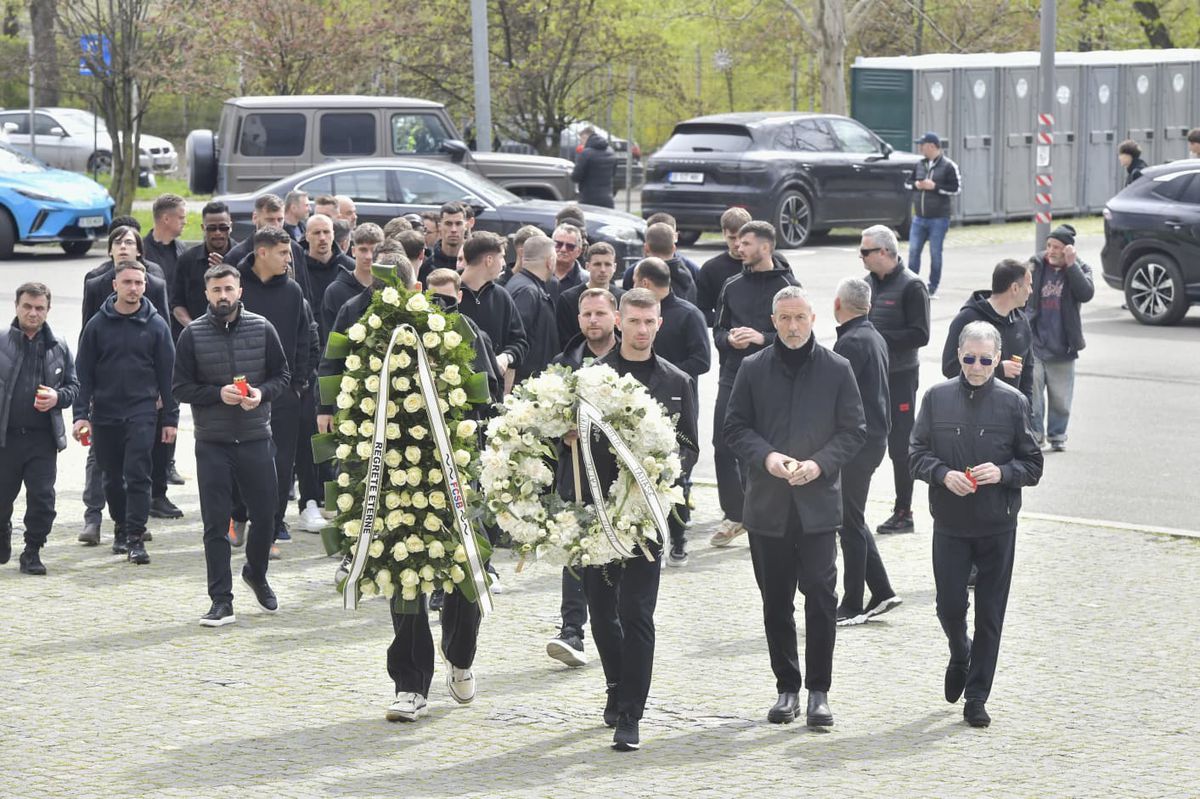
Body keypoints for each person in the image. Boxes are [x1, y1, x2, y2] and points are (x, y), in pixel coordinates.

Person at [560, 288, 698, 750]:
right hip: (598, 514)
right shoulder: (593, 377)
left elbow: (692, 447)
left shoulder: (677, 381)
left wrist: (663, 467)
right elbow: (566, 435)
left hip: (647, 518)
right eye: (634, 321)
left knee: (637, 613)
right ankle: (616, 685)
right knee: (602, 612)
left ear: (660, 323)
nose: (642, 330)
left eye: (650, 322)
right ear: (619, 321)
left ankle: (631, 715)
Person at [724, 286, 867, 729]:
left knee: (822, 599)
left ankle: (818, 692)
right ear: (773, 320)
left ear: (813, 320)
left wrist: (819, 464)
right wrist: (767, 457)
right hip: (767, 507)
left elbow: (854, 430)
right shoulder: (752, 368)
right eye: (784, 318)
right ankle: (787, 687)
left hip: (819, 506)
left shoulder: (837, 368)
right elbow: (734, 428)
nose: (791, 327)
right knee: (775, 603)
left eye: (799, 318)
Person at [909, 320, 1043, 728]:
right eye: (969, 358)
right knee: (949, 605)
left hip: (997, 524)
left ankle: (977, 696)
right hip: (949, 522)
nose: (977, 366)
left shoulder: (1013, 402)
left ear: (998, 359)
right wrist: (941, 474)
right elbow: (915, 453)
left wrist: (1002, 473)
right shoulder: (936, 397)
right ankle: (959, 650)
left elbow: (1033, 465)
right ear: (959, 357)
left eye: (986, 359)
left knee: (990, 613)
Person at [173, 263, 290, 627]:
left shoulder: (263, 328)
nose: (223, 296)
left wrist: (261, 393)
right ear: (206, 294)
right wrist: (214, 394)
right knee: (214, 525)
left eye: (228, 289)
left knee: (267, 516)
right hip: (213, 442)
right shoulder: (191, 335)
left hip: (256, 436)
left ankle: (256, 572)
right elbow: (179, 388)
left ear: (240, 292)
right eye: (216, 290)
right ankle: (221, 600)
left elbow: (282, 375)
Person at [72, 261, 178, 565]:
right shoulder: (97, 325)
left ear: (145, 286)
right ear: (115, 285)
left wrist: (169, 419)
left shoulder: (157, 325)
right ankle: (119, 525)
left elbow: (167, 375)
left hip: (142, 412)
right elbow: (84, 374)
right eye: (128, 282)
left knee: (137, 475)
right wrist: (81, 415)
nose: (133, 288)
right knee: (111, 478)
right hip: (104, 413)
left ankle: (135, 537)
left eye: (139, 283)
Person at [82, 226, 181, 524]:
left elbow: (166, 354)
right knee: (109, 472)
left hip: (142, 402)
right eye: (118, 242)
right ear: (115, 284)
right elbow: (86, 355)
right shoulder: (95, 287)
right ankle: (98, 516)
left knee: (138, 469)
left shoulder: (155, 299)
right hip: (106, 400)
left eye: (129, 242)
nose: (134, 287)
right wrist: (82, 408)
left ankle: (135, 531)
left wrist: (169, 409)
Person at [710, 221, 800, 547]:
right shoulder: (731, 285)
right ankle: (735, 514)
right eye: (738, 242)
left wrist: (763, 338)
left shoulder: (789, 286)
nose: (739, 248)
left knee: (765, 449)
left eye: (746, 243)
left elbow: (798, 337)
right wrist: (729, 339)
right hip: (732, 376)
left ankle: (766, 514)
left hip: (772, 381)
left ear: (765, 247)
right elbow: (717, 332)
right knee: (723, 445)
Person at [545, 287, 620, 668]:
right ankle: (572, 629)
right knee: (574, 549)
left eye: (600, 314)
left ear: (615, 317)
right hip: (574, 472)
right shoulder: (564, 363)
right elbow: (544, 414)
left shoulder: (630, 360)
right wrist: (563, 430)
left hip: (619, 477)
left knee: (617, 549)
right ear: (578, 320)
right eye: (587, 315)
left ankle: (618, 622)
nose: (593, 321)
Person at [236, 227, 316, 551]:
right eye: (283, 253)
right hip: (241, 390)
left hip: (283, 391)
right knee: (241, 460)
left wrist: (297, 383)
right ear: (263, 252)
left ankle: (268, 531)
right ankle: (237, 515)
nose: (289, 259)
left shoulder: (293, 291)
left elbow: (303, 338)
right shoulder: (236, 283)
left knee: (281, 465)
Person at [830, 277, 901, 625]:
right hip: (873, 439)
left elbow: (835, 397)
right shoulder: (872, 336)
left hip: (856, 443)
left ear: (837, 305)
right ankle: (882, 591)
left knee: (849, 521)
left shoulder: (851, 344)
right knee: (852, 518)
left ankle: (853, 602)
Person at [632, 257, 709, 566]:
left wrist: (665, 375)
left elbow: (702, 360)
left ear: (647, 283)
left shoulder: (689, 315)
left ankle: (677, 539)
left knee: (676, 477)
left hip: (677, 406)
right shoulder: (637, 315)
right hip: (638, 409)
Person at [0, 283, 79, 575]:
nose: (33, 313)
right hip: (5, 439)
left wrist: (58, 397)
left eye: (39, 308)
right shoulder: (1, 341)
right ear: (17, 306)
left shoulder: (58, 345)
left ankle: (32, 550)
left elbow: (74, 387)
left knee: (43, 499)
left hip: (42, 440)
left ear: (48, 310)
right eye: (28, 307)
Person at [862, 224, 930, 536]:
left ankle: (904, 511)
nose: (861, 257)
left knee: (900, 447)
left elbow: (921, 334)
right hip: (869, 376)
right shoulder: (865, 285)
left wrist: (877, 339)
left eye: (866, 251)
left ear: (886, 252)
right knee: (860, 439)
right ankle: (851, 505)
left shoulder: (912, 286)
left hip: (901, 377)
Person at [1025, 224, 1094, 452]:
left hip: (1063, 346)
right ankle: (1036, 435)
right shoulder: (1035, 264)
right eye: (1049, 246)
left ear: (1068, 250)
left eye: (1057, 247)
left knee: (1060, 398)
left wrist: (1071, 265)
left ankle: (1057, 435)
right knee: (1033, 395)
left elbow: (1086, 293)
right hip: (1035, 344)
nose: (1051, 251)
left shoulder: (1080, 267)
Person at [941, 259, 1035, 401]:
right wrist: (998, 370)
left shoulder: (1022, 322)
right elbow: (949, 367)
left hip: (1010, 413)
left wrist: (1028, 414)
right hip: (972, 411)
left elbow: (1027, 375)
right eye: (1028, 286)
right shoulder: (967, 319)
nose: (1030, 291)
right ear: (1015, 288)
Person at [456, 231, 527, 391]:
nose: (503, 264)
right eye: (501, 257)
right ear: (489, 260)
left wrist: (506, 357)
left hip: (492, 393)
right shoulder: (448, 292)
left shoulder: (502, 296)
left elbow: (520, 342)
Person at [224, 193, 313, 307]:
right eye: (270, 220)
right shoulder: (235, 256)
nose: (276, 225)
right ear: (255, 218)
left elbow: (305, 295)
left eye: (280, 220)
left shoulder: (295, 250)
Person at [906, 132, 961, 298]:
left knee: (935, 253)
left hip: (939, 218)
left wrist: (935, 187)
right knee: (914, 251)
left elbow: (956, 189)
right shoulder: (919, 164)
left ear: (931, 146)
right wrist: (917, 184)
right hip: (919, 217)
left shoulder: (949, 166)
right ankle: (910, 285)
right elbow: (907, 183)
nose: (920, 148)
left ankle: (932, 288)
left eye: (922, 145)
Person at [173, 201, 236, 330]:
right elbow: (176, 303)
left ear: (230, 227)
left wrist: (228, 269)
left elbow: (251, 296)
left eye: (223, 227)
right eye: (212, 228)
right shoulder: (187, 260)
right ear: (203, 228)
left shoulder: (243, 256)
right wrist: (193, 329)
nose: (218, 233)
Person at [506, 235, 560, 384]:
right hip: (526, 383)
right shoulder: (528, 292)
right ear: (550, 262)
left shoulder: (519, 283)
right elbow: (516, 340)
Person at [322, 223, 384, 336]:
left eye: (374, 250)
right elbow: (329, 338)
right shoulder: (335, 291)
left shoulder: (389, 289)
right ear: (354, 251)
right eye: (363, 250)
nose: (369, 256)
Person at [555, 242, 623, 346]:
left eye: (607, 264)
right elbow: (564, 340)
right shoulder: (568, 299)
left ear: (614, 267)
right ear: (587, 266)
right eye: (597, 264)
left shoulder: (623, 299)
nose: (603, 270)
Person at [303, 214, 355, 342]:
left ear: (333, 234)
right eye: (316, 233)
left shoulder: (349, 266)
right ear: (307, 236)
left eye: (326, 232)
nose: (322, 238)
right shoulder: (298, 268)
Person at [696, 207, 752, 325]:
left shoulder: (769, 263)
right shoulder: (710, 269)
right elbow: (701, 311)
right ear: (723, 233)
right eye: (732, 238)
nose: (737, 243)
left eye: (741, 238)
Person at [143, 194, 188, 338]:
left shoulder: (183, 249)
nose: (185, 222)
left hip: (179, 329)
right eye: (181, 218)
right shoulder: (141, 252)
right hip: (150, 328)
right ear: (166, 219)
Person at [572, 126, 617, 208]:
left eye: (581, 139)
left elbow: (575, 176)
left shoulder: (585, 153)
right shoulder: (611, 152)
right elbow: (613, 174)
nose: (581, 142)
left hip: (588, 200)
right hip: (607, 199)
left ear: (586, 137)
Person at [422, 202, 469, 280]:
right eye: (448, 224)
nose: (454, 229)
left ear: (466, 226)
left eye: (458, 224)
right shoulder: (426, 267)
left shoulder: (474, 265)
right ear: (440, 226)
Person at [550, 224, 589, 296]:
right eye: (558, 244)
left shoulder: (588, 281)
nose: (563, 249)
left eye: (570, 246)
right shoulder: (537, 275)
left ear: (579, 252)